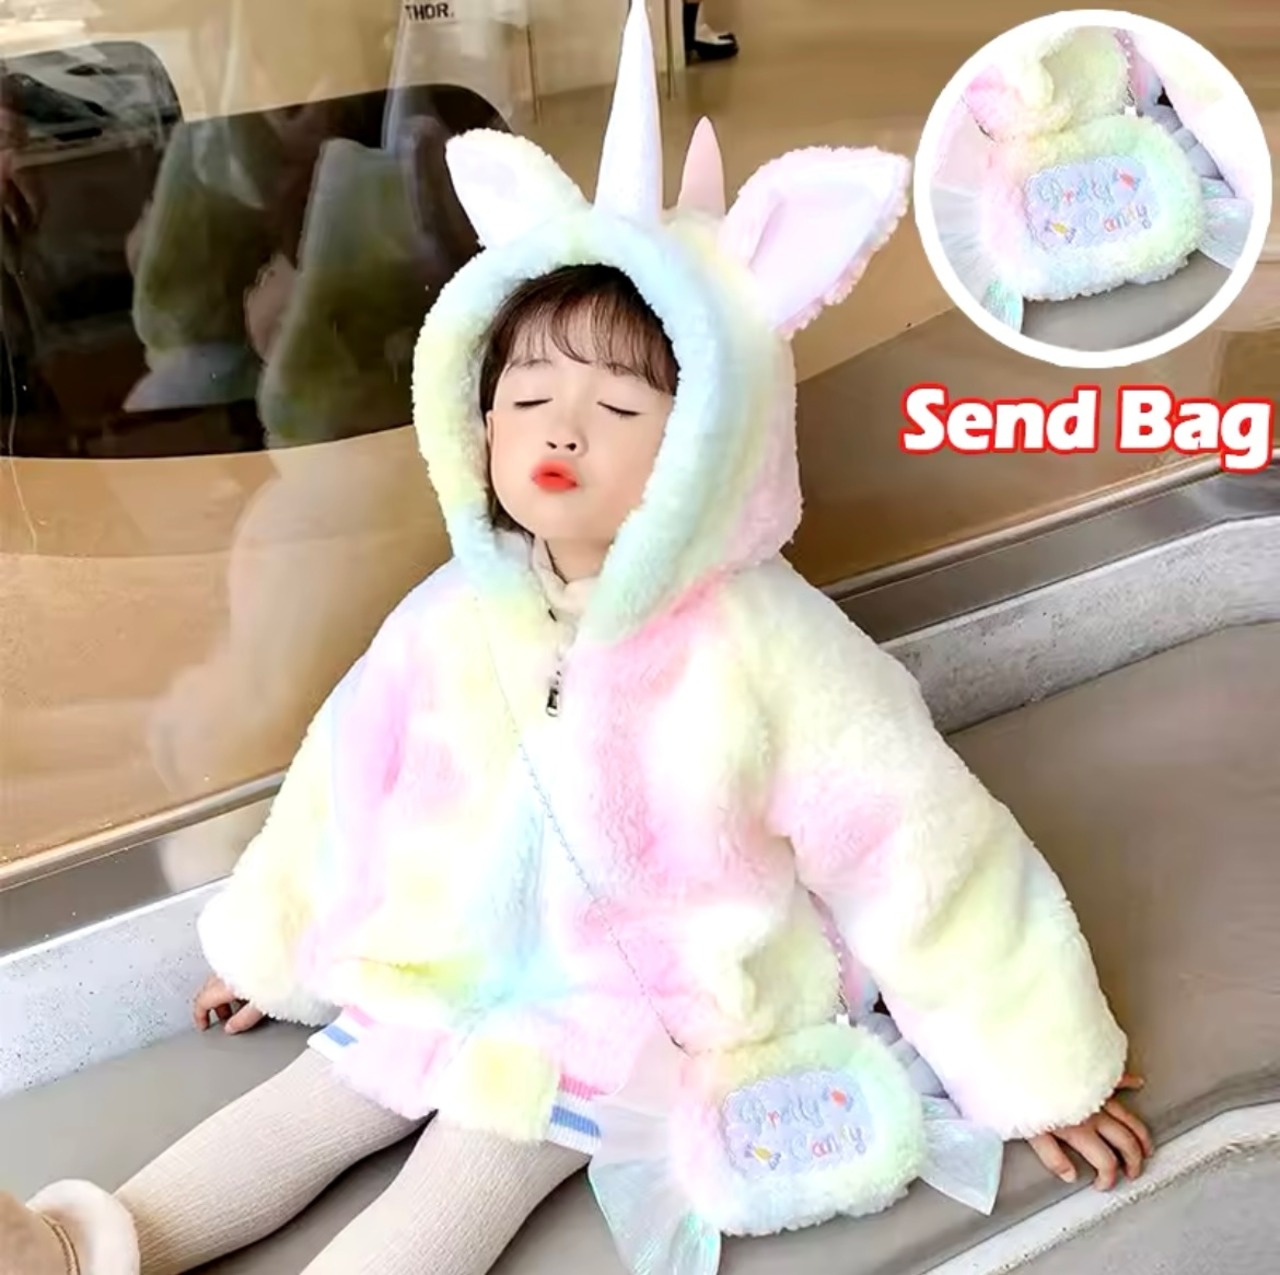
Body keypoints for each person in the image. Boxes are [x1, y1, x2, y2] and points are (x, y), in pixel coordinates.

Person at [0, 8, 1151, 1275]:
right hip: (434, 962)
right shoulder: (454, 609)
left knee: (456, 1186)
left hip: (620, 1013)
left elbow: (917, 846)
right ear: (474, 416)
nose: (559, 430)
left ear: (714, 434)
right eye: (527, 395)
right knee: (297, 1111)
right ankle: (64, 1250)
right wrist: (272, 948)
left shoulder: (769, 645)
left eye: (616, 405)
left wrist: (1034, 1067)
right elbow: (344, 782)